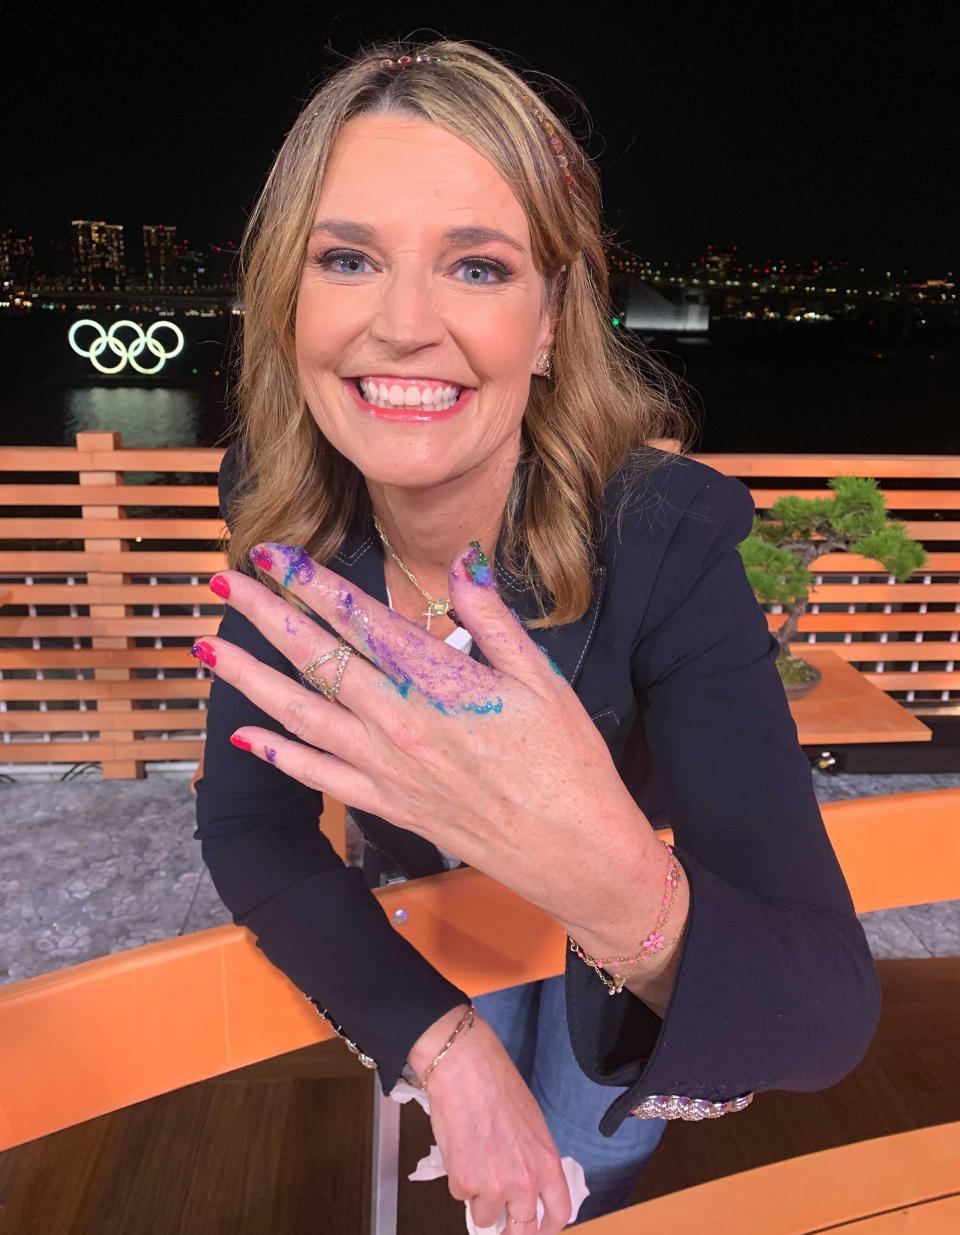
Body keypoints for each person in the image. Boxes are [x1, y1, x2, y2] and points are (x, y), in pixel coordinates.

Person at [193, 40, 881, 1232]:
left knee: (579, 1142)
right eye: (348, 258)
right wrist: (444, 1049)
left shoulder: (667, 537)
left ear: (553, 319)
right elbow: (245, 819)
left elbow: (828, 1015)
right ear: (287, 301)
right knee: (483, 1082)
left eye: (477, 266)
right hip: (423, 899)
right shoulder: (282, 502)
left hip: (618, 936)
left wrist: (610, 888)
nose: (404, 325)